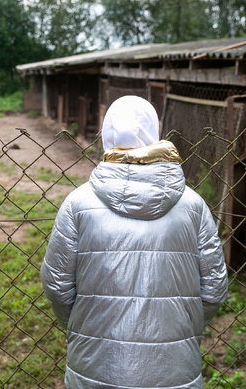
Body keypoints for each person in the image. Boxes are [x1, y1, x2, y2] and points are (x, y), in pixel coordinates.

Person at [41, 95, 228, 389]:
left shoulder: (77, 203)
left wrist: (86, 328)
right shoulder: (194, 205)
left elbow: (56, 285)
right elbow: (215, 288)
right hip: (174, 370)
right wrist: (179, 328)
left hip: (96, 367)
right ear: (154, 132)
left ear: (107, 135)